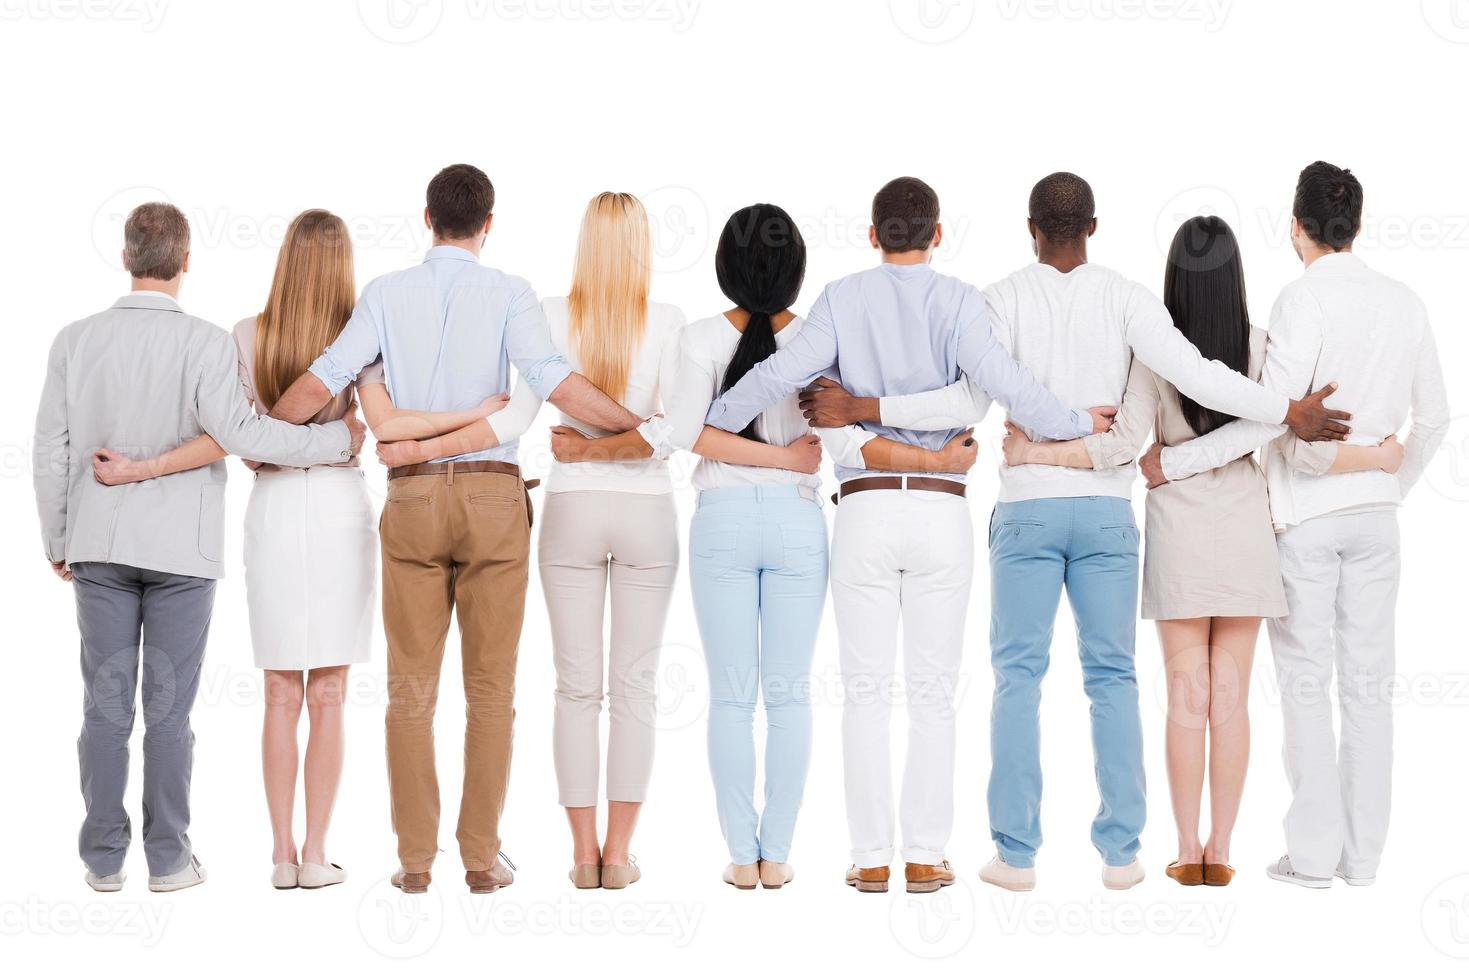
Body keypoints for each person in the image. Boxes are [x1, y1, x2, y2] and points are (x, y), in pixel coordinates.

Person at [799, 172, 1351, 892]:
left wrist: (867, 405)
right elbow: (1199, 375)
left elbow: (965, 398)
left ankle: (1017, 857)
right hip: (1103, 515)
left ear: (1031, 228)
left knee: (1015, 682)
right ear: (1092, 228)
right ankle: (1122, 857)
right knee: (1113, 679)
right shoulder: (1125, 298)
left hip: (1026, 510)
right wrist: (1286, 410)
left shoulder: (996, 299)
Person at [703, 178, 1110, 895]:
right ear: (937, 233)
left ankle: (866, 859)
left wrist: (715, 421)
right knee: (931, 695)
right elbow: (1005, 385)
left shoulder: (840, 298)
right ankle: (923, 854)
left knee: (862, 692)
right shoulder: (959, 301)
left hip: (860, 511)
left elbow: (779, 374)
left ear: (871, 234)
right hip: (938, 510)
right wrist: (1078, 422)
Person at [89, 210, 501, 890]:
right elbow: (372, 426)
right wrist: (343, 432)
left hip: (274, 510)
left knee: (280, 691)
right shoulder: (360, 333)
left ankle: (280, 855)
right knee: (329, 692)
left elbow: (244, 441)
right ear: (342, 265)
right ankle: (316, 853)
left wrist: (268, 441)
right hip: (339, 507)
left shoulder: (246, 335)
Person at [261, 165, 645, 895]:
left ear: (426, 217)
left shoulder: (383, 294)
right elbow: (556, 381)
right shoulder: (508, 293)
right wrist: (638, 425)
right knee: (491, 690)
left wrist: (263, 429)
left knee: (410, 689)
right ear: (488, 222)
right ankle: (478, 856)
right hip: (493, 501)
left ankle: (412, 860)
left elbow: (325, 377)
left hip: (409, 500)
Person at [999, 215, 1402, 887]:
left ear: (1174, 279)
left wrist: (1037, 450)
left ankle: (1186, 850)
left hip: (1179, 536)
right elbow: (1275, 432)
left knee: (1186, 697)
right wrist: (1381, 456)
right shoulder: (1264, 349)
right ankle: (1223, 847)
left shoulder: (1156, 355)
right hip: (1246, 530)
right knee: (1230, 700)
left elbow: (1122, 445)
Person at [33, 202, 365, 893]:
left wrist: (57, 538)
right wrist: (337, 440)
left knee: (104, 702)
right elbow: (246, 436)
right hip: (182, 553)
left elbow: (50, 451)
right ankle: (167, 859)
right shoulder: (209, 342)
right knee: (169, 711)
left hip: (97, 541)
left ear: (125, 257)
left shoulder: (73, 339)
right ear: (186, 262)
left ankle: (101, 860)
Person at [1137, 163, 1450, 889]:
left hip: (1306, 523)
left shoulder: (1300, 301)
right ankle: (1363, 860)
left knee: (1307, 686)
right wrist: (1387, 481)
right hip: (1377, 520)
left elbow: (1263, 418)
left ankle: (1310, 860)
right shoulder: (1405, 303)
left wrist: (1175, 467)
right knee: (1370, 687)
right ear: (1358, 225)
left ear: (1294, 226)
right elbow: (1433, 418)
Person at [390, 192, 684, 889]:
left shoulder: (548, 313)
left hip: (571, 513)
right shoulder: (670, 322)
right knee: (635, 688)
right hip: (648, 515)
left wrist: (417, 446)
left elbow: (512, 421)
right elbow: (670, 433)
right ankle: (619, 854)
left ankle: (580, 855)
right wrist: (629, 443)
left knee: (575, 689)